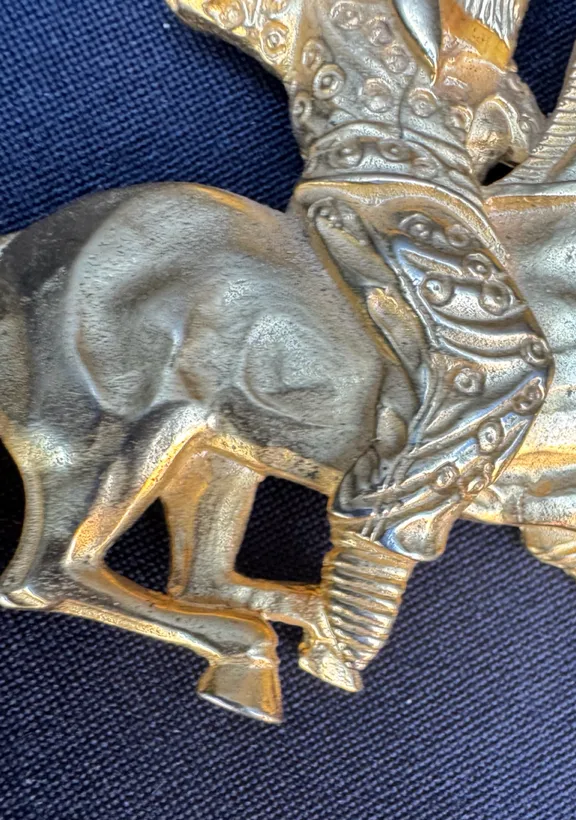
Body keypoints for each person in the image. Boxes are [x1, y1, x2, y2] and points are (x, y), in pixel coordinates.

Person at [167, 0, 551, 681]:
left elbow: (533, 144)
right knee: (500, 364)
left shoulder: (480, 25)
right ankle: (360, 593)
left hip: (444, 204)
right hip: (385, 191)